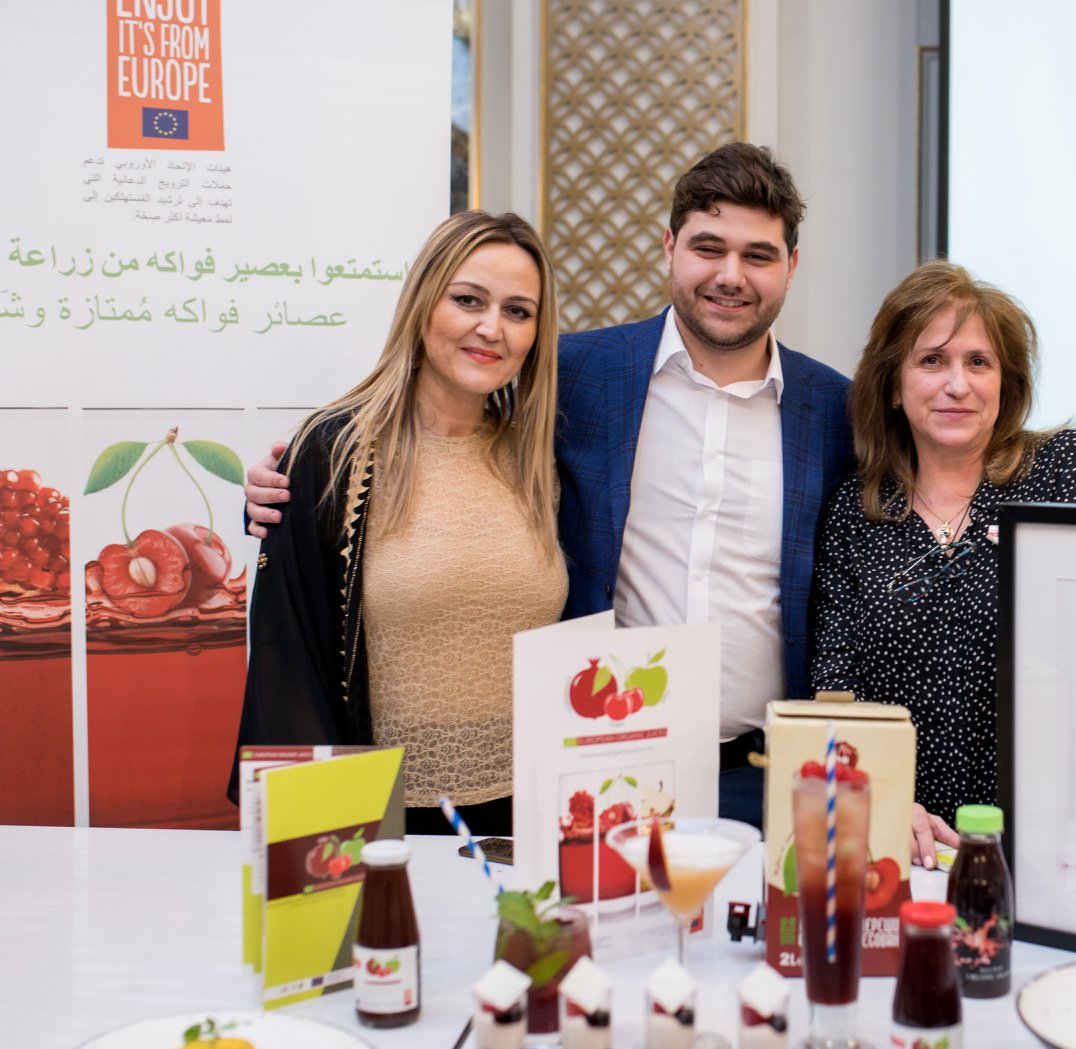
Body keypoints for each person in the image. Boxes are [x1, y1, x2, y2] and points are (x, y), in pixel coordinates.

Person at [243, 145, 854, 830]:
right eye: (708, 247)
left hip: (763, 771)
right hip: (596, 769)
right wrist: (287, 497)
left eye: (758, 256)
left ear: (791, 266)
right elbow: (388, 485)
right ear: (669, 247)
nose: (730, 275)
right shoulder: (575, 377)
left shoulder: (837, 411)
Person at [232, 210, 565, 837]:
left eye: (519, 311)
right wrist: (327, 841)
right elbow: (288, 657)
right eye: (468, 300)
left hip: (531, 817)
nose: (492, 328)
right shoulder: (333, 453)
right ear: (422, 303)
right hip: (380, 822)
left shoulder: (540, 460)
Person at [810, 260, 1076, 867]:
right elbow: (833, 687)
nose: (958, 385)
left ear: (1006, 383)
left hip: (1047, 834)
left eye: (979, 362)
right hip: (905, 840)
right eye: (932, 361)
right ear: (892, 386)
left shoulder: (1063, 470)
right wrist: (878, 798)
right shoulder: (854, 509)